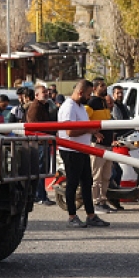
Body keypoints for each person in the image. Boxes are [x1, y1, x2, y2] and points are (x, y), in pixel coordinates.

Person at [58, 79, 110, 228]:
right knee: (73, 184)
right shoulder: (69, 107)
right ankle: (72, 216)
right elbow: (70, 131)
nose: (89, 97)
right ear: (80, 92)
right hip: (71, 150)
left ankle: (91, 215)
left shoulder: (80, 106)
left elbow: (84, 126)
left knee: (87, 183)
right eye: (88, 94)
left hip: (82, 149)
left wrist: (93, 132)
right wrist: (88, 130)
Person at [86, 78, 116, 215]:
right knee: (96, 176)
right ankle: (95, 202)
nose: (105, 88)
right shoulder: (91, 102)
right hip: (97, 145)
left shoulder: (104, 102)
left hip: (108, 144)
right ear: (95, 88)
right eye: (102, 86)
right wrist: (94, 132)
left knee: (106, 175)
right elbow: (83, 120)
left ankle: (103, 200)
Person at [27, 84, 57, 205]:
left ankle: (42, 195)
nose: (46, 93)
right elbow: (35, 126)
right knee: (39, 169)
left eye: (47, 91)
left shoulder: (45, 106)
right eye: (43, 92)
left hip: (44, 141)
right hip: (39, 142)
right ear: (36, 95)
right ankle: (39, 196)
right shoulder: (35, 107)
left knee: (43, 169)